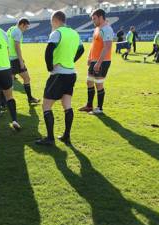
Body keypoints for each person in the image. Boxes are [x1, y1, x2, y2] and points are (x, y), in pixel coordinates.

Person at [35, 10, 84, 146]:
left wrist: (49, 67)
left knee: (46, 105)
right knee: (66, 104)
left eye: (52, 22)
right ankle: (66, 136)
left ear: (55, 20)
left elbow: (48, 50)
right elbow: (81, 49)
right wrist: (71, 60)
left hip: (58, 74)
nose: (52, 25)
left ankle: (50, 138)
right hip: (71, 73)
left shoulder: (57, 33)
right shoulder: (74, 33)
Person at [78, 9, 113, 115]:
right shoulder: (97, 28)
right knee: (89, 82)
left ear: (101, 17)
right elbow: (94, 44)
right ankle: (89, 105)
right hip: (94, 60)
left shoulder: (107, 29)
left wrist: (98, 62)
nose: (93, 21)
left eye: (94, 19)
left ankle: (99, 108)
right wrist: (89, 57)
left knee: (99, 84)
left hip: (102, 61)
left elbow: (107, 47)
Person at [7, 18, 40, 105]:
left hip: (9, 59)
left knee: (9, 82)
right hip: (15, 60)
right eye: (26, 27)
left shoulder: (11, 29)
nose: (26, 29)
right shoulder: (18, 31)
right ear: (22, 24)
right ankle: (30, 98)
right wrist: (21, 61)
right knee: (26, 78)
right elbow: (17, 47)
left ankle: (3, 102)